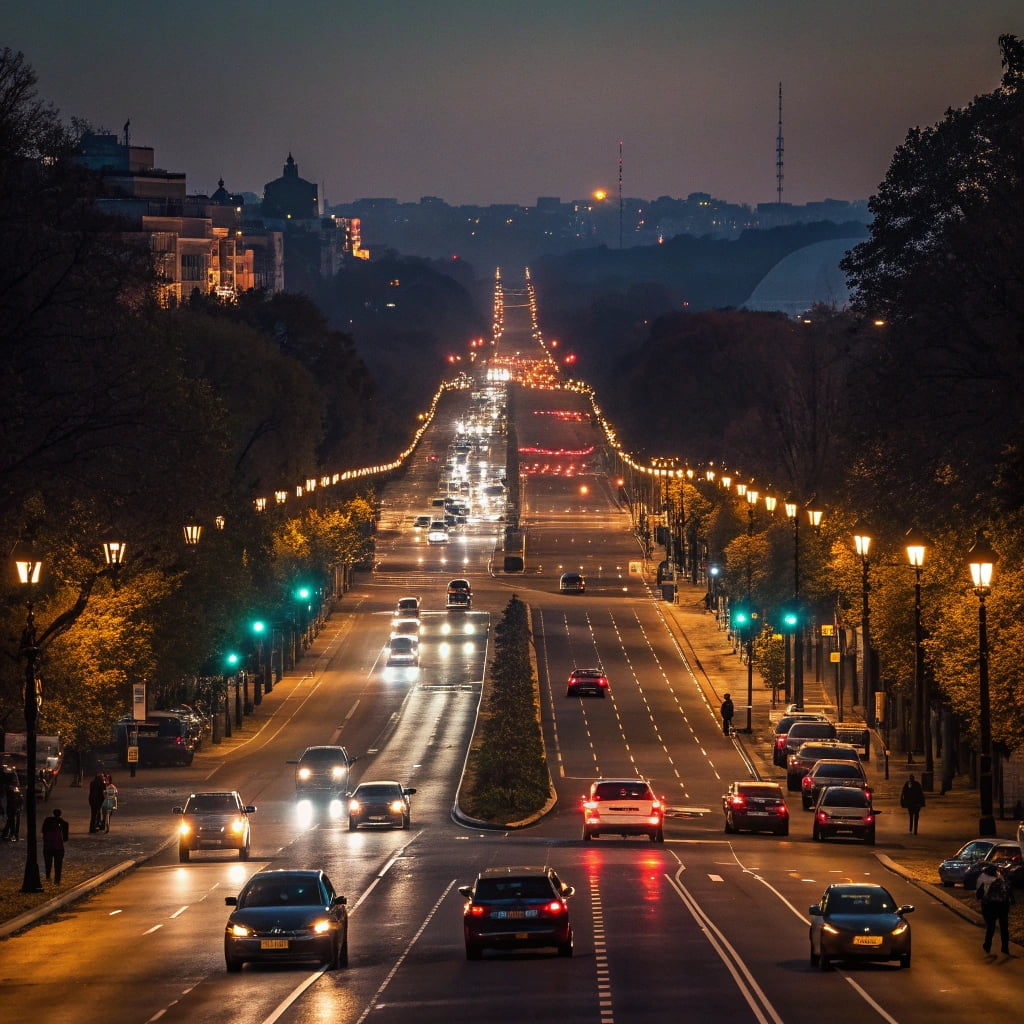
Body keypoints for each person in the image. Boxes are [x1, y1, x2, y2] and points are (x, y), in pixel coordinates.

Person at [976, 862, 1014, 954]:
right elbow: (1008, 890)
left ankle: (987, 945)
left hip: (990, 905)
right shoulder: (1001, 879)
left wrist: (980, 899)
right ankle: (1005, 948)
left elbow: (979, 893)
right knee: (1004, 927)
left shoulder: (983, 878)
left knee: (991, 926)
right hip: (1003, 905)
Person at [41, 807, 69, 884]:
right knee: (58, 865)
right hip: (58, 847)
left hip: (48, 846)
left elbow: (43, 831)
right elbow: (66, 834)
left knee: (48, 863)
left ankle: (48, 877)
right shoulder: (62, 822)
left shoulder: (47, 821)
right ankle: (57, 879)